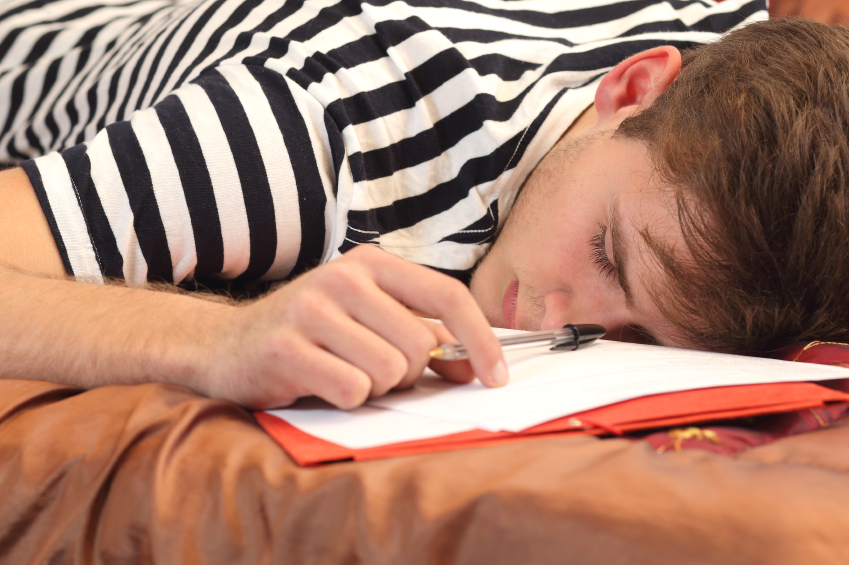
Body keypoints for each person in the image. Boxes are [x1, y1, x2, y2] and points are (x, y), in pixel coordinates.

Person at [1, 0, 846, 411]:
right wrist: (218, 339)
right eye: (606, 253)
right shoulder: (312, 130)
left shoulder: (745, 80)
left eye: (645, 342)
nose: (564, 325)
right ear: (631, 88)